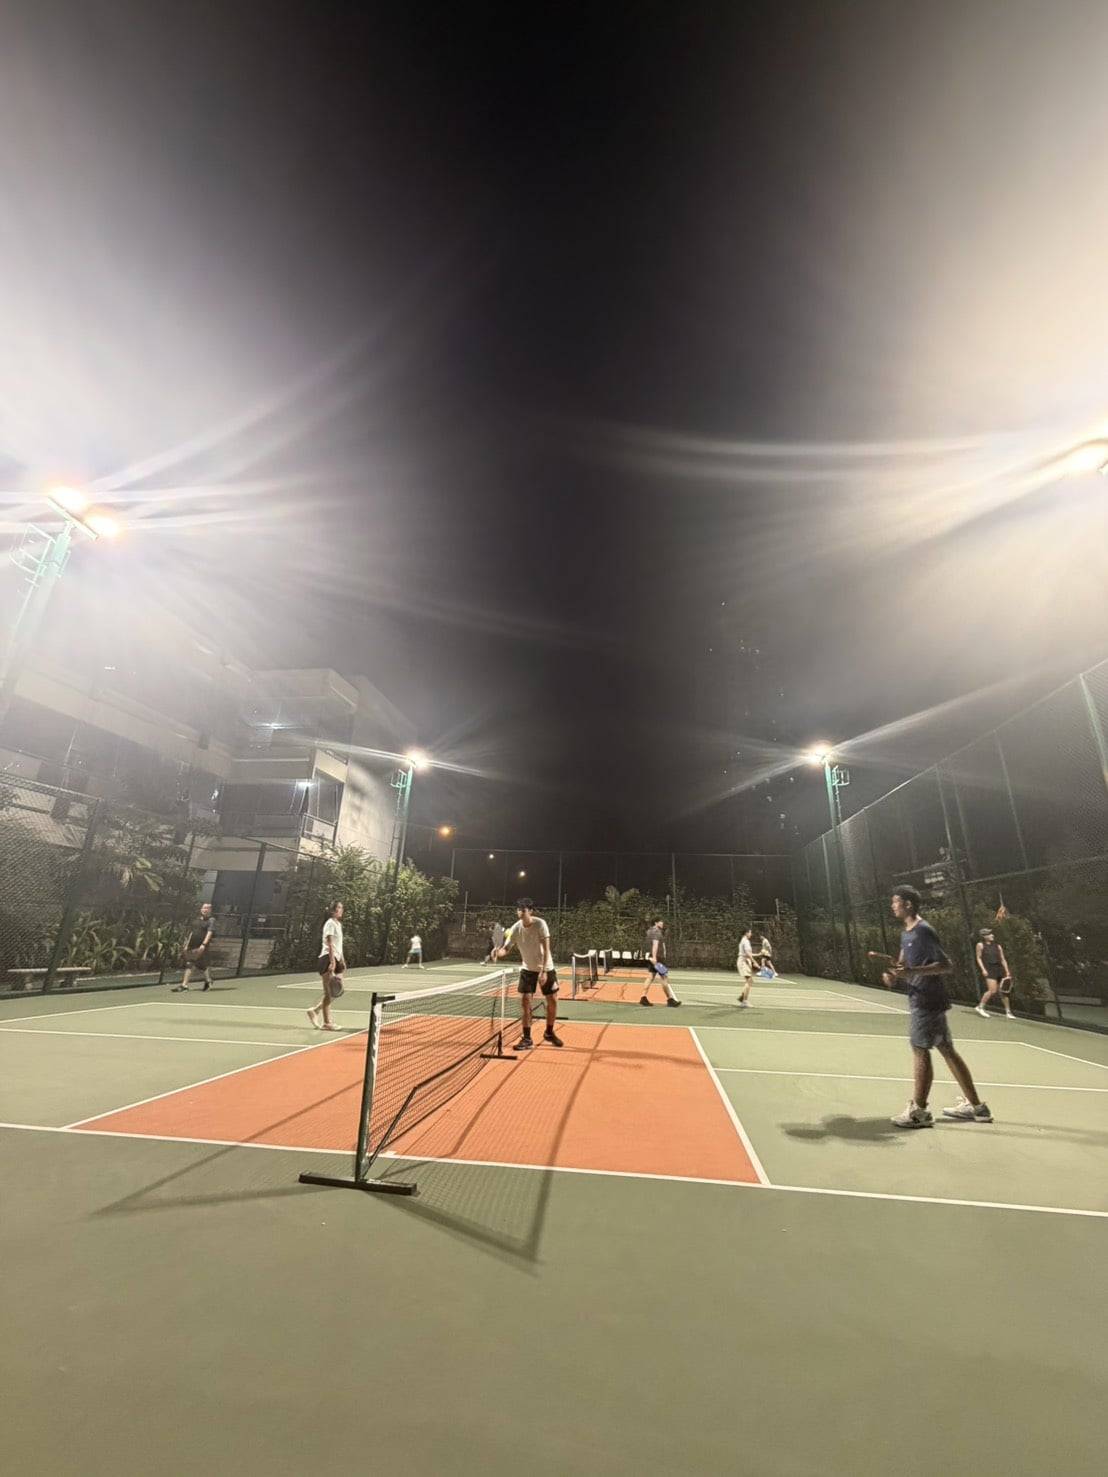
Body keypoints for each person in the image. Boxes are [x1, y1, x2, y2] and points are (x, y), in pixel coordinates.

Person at [880, 885, 991, 1128]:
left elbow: (946, 965)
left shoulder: (923, 931)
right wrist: (893, 975)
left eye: (896, 901)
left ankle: (919, 1111)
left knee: (920, 1050)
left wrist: (912, 971)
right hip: (925, 999)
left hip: (927, 1001)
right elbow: (902, 967)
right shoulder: (906, 933)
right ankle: (978, 1107)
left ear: (908, 904)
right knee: (947, 1050)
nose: (892, 906)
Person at [496, 897, 563, 1050]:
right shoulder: (515, 928)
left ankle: (549, 1032)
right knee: (525, 1002)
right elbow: (506, 949)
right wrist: (497, 953)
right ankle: (527, 1039)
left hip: (546, 968)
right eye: (518, 909)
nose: (520, 912)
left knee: (552, 1000)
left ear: (530, 911)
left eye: (523, 910)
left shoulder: (540, 924)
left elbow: (546, 948)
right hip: (527, 969)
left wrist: (544, 971)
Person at [307, 901, 345, 1031]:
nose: (341, 910)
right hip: (327, 958)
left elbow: (338, 944)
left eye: (341, 907)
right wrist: (332, 962)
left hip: (337, 958)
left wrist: (342, 960)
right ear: (332, 910)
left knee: (337, 991)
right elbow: (329, 943)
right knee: (329, 993)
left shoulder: (338, 924)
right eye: (339, 907)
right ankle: (327, 1023)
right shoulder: (329, 923)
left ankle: (315, 1010)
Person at [174, 902, 215, 992]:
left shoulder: (211, 920)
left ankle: (207, 981)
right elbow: (192, 933)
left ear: (210, 910)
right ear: (201, 909)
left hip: (202, 946)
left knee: (200, 965)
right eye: (204, 908)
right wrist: (187, 944)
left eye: (207, 908)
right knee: (192, 964)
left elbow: (210, 933)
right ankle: (185, 985)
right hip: (192, 945)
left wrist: (203, 945)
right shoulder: (196, 921)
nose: (205, 910)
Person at [975, 927, 1014, 1019]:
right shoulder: (980, 945)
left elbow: (1003, 959)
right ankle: (980, 1007)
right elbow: (978, 958)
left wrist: (1007, 971)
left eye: (991, 933)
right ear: (984, 936)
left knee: (1004, 992)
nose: (992, 935)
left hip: (1000, 970)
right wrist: (983, 969)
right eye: (989, 934)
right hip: (989, 970)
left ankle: (1008, 1012)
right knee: (992, 990)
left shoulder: (998, 946)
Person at [641, 917, 681, 1007]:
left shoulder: (649, 931)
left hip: (651, 957)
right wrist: (655, 958)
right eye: (661, 922)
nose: (662, 923)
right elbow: (655, 945)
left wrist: (651, 957)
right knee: (664, 978)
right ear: (656, 923)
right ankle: (670, 1000)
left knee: (650, 977)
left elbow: (648, 944)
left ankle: (643, 997)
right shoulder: (656, 932)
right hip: (658, 958)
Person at [736, 925, 755, 1007]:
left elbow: (748, 953)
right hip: (744, 962)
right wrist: (754, 962)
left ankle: (742, 997)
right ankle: (744, 1001)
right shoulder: (746, 941)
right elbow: (747, 954)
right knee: (749, 981)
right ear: (746, 933)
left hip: (744, 961)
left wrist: (759, 954)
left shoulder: (744, 940)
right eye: (750, 932)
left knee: (750, 981)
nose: (751, 934)